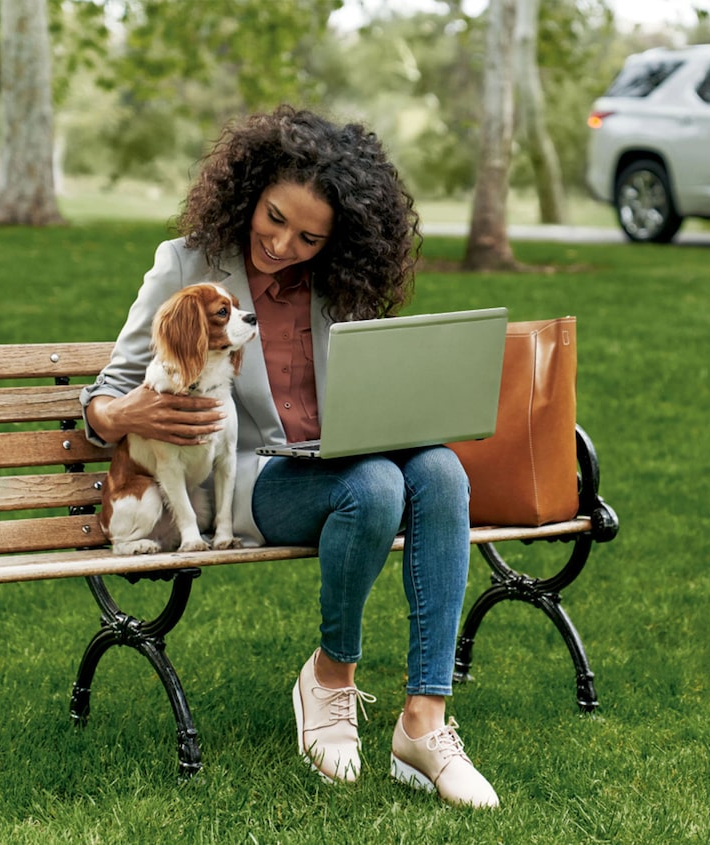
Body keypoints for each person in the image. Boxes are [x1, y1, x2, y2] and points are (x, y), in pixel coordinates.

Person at [80, 105, 498, 808]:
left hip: (343, 456)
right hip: (250, 477)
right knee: (369, 486)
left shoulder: (344, 282)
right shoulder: (186, 264)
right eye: (273, 218)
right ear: (250, 192)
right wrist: (127, 413)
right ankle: (330, 677)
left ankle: (425, 720)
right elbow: (106, 395)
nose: (282, 244)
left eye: (309, 236)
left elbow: (375, 386)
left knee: (439, 467)